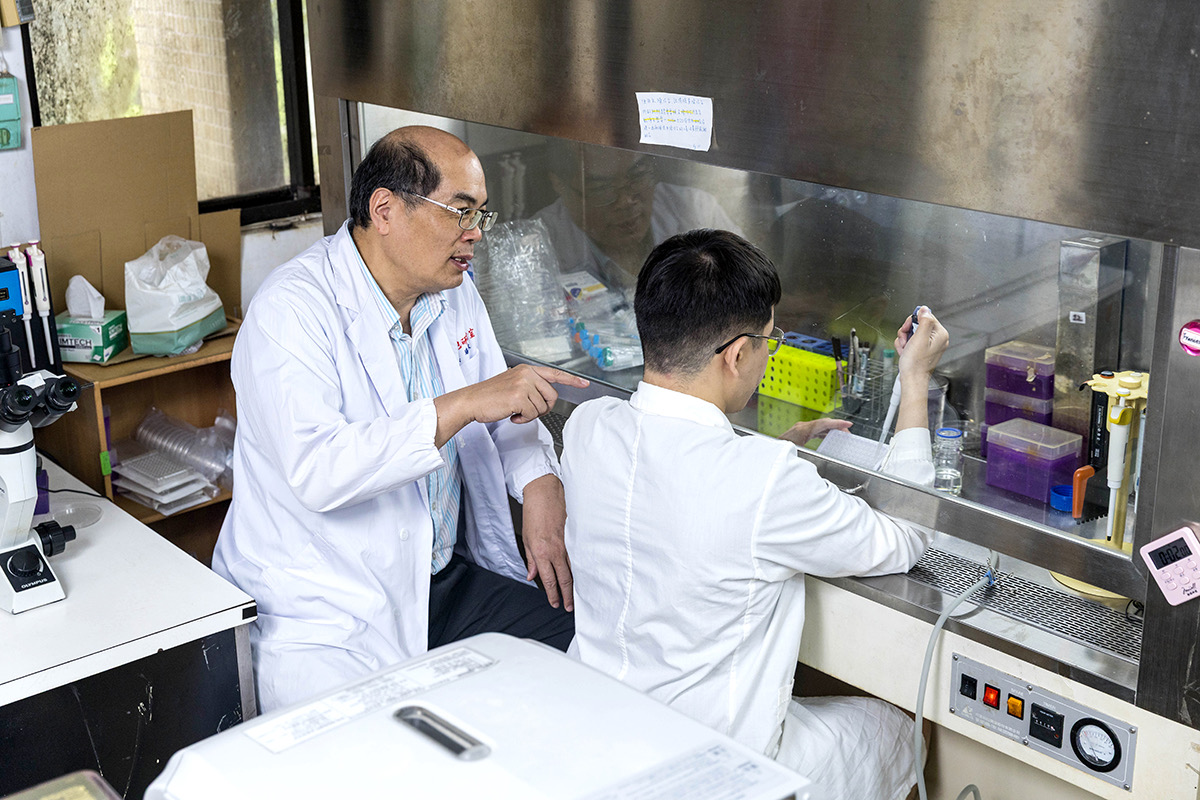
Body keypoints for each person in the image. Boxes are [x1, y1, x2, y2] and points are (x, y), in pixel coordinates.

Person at [561, 229, 949, 800]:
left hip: (600, 732)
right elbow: (909, 532)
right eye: (770, 341)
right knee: (905, 726)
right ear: (738, 355)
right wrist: (916, 379)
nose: (770, 355)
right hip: (716, 769)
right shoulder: (764, 479)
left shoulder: (587, 427)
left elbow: (677, 484)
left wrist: (779, 451)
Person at [212, 126, 589, 712]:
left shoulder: (452, 290)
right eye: (460, 213)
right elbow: (319, 470)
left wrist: (541, 483)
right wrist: (462, 405)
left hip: (441, 579)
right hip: (330, 608)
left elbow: (503, 408)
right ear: (384, 210)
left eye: (480, 215)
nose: (475, 234)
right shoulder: (290, 311)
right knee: (380, 750)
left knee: (584, 649)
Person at [534, 142, 743, 299]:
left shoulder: (696, 210)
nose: (626, 201)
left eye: (638, 175)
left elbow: (749, 290)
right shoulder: (540, 243)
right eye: (601, 188)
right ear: (559, 185)